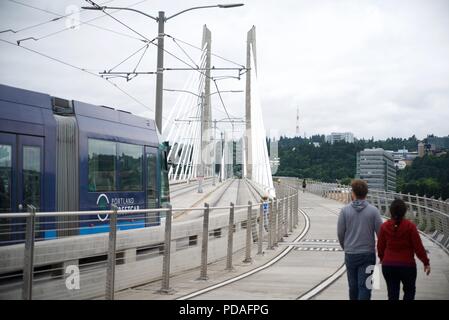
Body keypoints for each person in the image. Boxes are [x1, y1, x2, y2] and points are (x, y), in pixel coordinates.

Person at [337, 179, 382, 300]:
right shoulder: (374, 211)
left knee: (353, 286)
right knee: (366, 286)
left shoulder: (345, 211)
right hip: (368, 254)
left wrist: (345, 247)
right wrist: (381, 253)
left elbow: (340, 233)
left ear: (353, 193)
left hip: (350, 254)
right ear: (366, 193)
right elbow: (381, 234)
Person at [377, 199, 430, 300]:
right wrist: (426, 262)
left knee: (392, 294)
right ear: (404, 211)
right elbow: (418, 247)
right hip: (407, 266)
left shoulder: (384, 227)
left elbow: (380, 247)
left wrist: (382, 258)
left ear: (391, 211)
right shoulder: (411, 227)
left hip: (388, 265)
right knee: (409, 292)